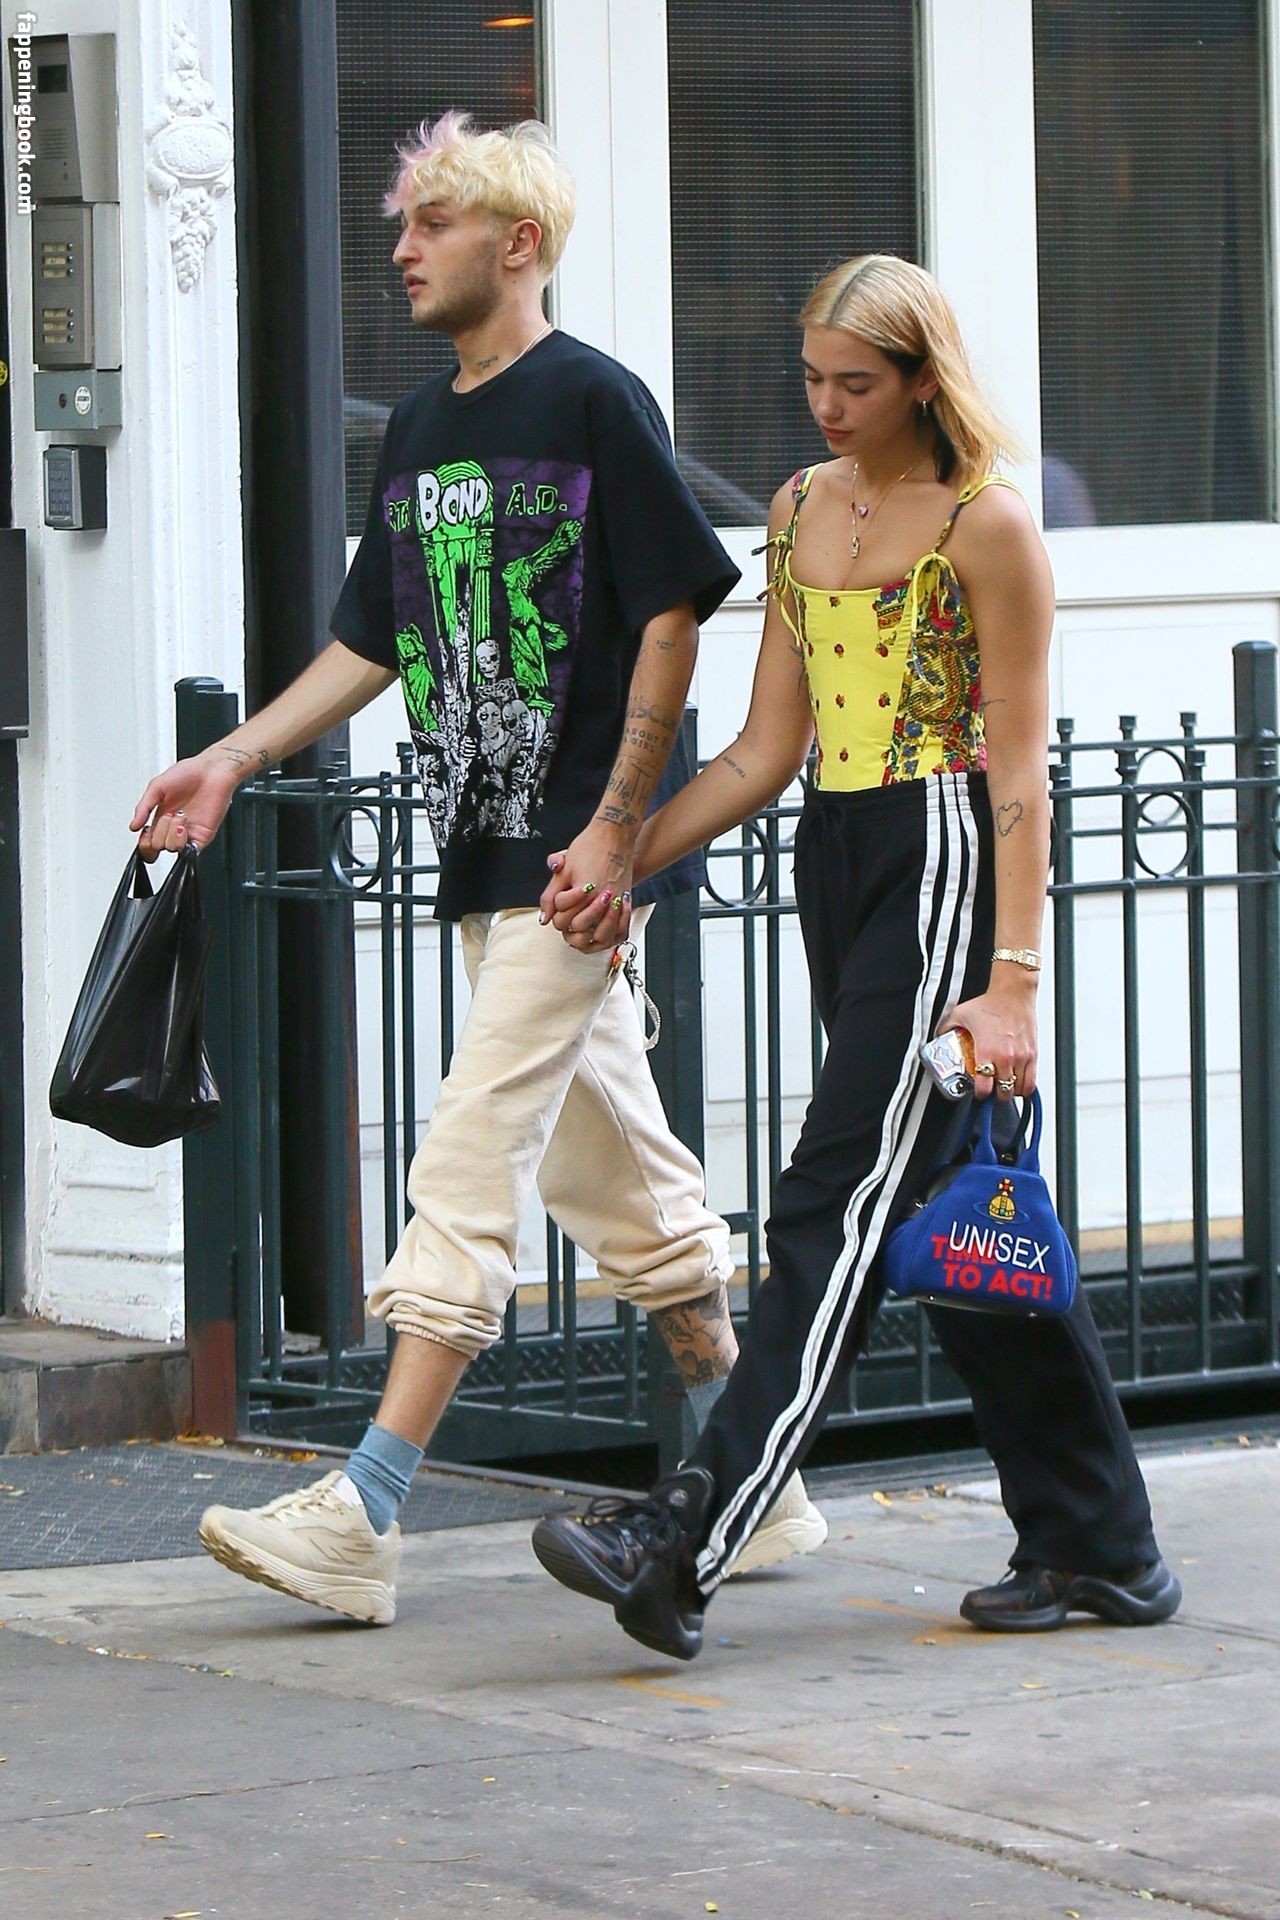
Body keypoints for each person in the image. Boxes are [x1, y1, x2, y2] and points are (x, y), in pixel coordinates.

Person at [130, 114, 825, 1626]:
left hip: (571, 856)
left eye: (429, 222)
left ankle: (364, 1509)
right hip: (480, 843)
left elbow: (672, 612)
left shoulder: (592, 398)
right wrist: (232, 758)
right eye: (401, 224)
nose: (399, 249)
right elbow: (373, 640)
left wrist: (619, 829)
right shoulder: (418, 430)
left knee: (472, 1145)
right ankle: (755, 1479)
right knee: (606, 1170)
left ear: (518, 242)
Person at [531, 255, 1182, 1660]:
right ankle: (1101, 1545)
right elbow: (766, 750)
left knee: (835, 1199)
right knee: (946, 1208)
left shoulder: (989, 523)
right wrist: (623, 853)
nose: (827, 406)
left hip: (945, 854)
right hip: (836, 853)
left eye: (857, 383)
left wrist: (1012, 982)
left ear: (922, 380)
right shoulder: (797, 509)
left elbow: (1019, 772)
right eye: (813, 378)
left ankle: (685, 1534)